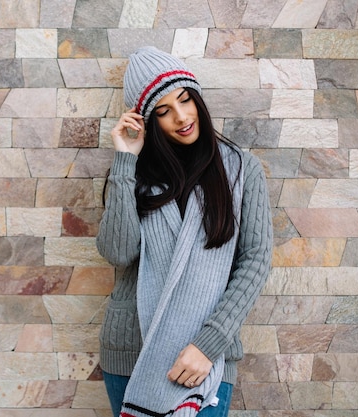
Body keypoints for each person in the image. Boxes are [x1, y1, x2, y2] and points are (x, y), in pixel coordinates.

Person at [96, 46, 273, 417]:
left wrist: (209, 344)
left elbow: (255, 261)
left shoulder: (241, 170)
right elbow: (118, 252)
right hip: (132, 350)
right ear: (146, 120)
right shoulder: (134, 174)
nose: (180, 116)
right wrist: (126, 159)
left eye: (185, 99)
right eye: (162, 111)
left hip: (203, 357)